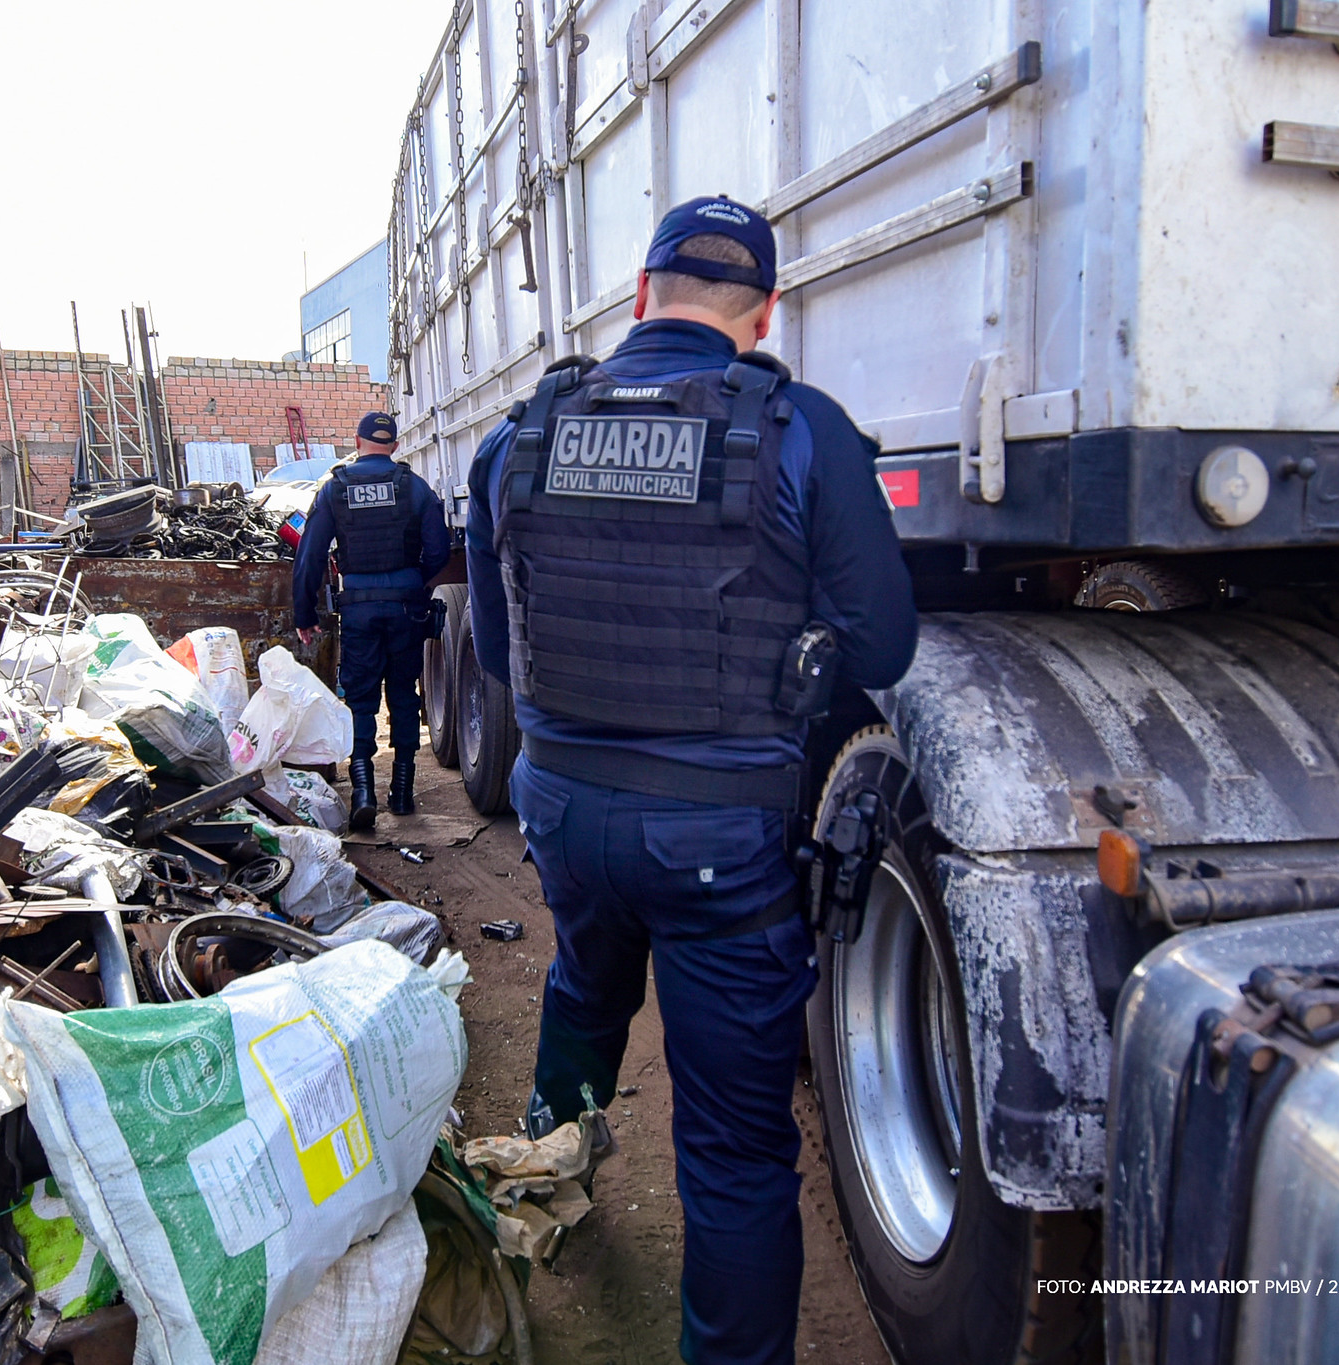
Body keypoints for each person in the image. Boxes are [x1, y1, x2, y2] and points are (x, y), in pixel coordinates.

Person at [464, 195, 918, 1365]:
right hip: (716, 838)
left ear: (638, 295)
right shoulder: (799, 427)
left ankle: (537, 1184)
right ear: (760, 316)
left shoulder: (516, 436)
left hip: (562, 807)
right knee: (730, 1151)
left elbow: (501, 648)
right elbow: (878, 649)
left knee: (585, 975)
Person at [293, 411, 450, 829]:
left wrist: (304, 613)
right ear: (395, 446)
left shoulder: (335, 490)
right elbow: (439, 550)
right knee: (402, 692)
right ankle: (402, 793)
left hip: (358, 608)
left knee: (361, 697)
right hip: (405, 607)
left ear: (358, 442)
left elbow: (309, 556)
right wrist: (414, 583)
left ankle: (363, 790)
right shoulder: (413, 487)